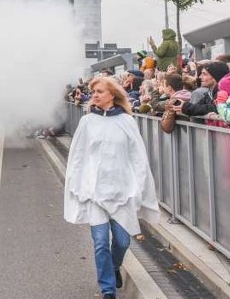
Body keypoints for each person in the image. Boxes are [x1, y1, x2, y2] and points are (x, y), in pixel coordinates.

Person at [64, 77, 159, 299]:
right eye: (93, 91)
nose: (94, 95)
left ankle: (115, 266)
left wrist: (140, 187)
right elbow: (78, 155)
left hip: (122, 191)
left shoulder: (127, 121)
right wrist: (76, 183)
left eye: (99, 91)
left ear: (112, 95)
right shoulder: (87, 122)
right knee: (100, 243)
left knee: (122, 241)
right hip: (95, 191)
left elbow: (138, 157)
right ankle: (107, 290)